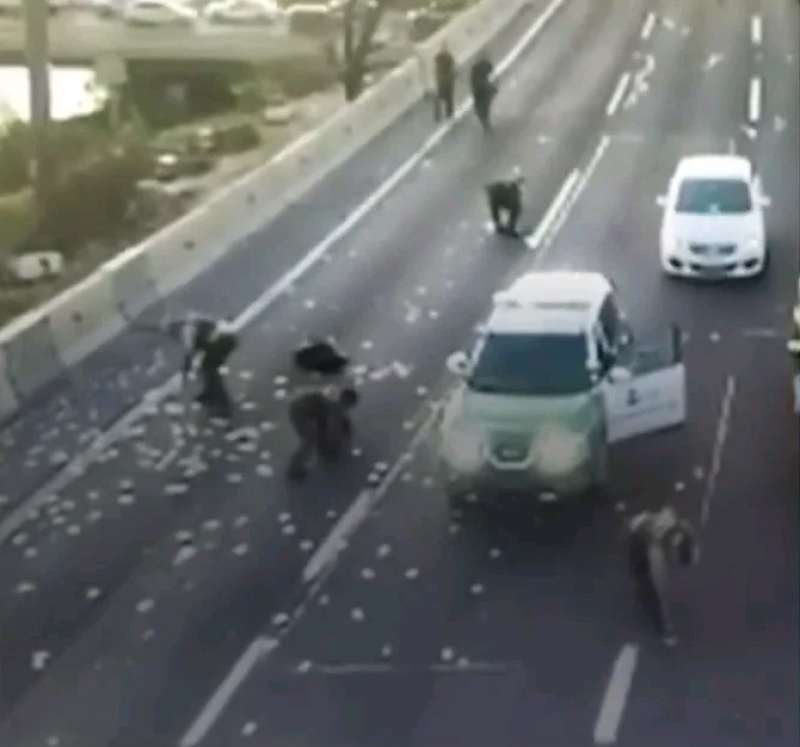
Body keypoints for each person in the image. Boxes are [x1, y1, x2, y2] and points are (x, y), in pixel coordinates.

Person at [626, 506, 699, 646]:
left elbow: (689, 555)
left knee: (649, 582)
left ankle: (658, 618)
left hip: (645, 542)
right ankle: (664, 628)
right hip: (638, 546)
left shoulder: (679, 529)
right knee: (652, 587)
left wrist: (688, 544)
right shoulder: (647, 538)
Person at [168, 314, 238, 417]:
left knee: (214, 378)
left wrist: (189, 363)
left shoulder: (199, 330)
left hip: (217, 350)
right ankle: (209, 394)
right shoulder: (201, 326)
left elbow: (197, 347)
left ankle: (224, 406)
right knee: (207, 373)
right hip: (216, 347)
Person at [287, 386, 359, 481]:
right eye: (349, 405)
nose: (348, 408)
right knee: (309, 440)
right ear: (347, 401)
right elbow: (333, 430)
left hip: (306, 405)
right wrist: (333, 448)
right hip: (300, 412)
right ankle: (293, 469)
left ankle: (322, 449)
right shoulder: (336, 406)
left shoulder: (335, 400)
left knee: (321, 428)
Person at [485, 169, 524, 237]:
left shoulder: (507, 186)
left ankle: (498, 226)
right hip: (499, 199)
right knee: (517, 209)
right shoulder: (515, 194)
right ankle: (510, 229)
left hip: (494, 197)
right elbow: (514, 207)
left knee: (494, 210)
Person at [470, 54, 497, 132]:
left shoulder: (475, 68)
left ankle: (485, 121)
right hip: (481, 90)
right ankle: (485, 121)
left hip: (479, 90)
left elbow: (491, 75)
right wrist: (493, 88)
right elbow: (492, 75)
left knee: (482, 107)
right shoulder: (484, 66)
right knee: (484, 107)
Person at [433, 42, 456, 122]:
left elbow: (437, 68)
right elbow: (453, 68)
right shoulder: (449, 57)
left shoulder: (438, 57)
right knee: (448, 98)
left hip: (443, 81)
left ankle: (439, 115)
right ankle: (449, 113)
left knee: (440, 98)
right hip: (447, 80)